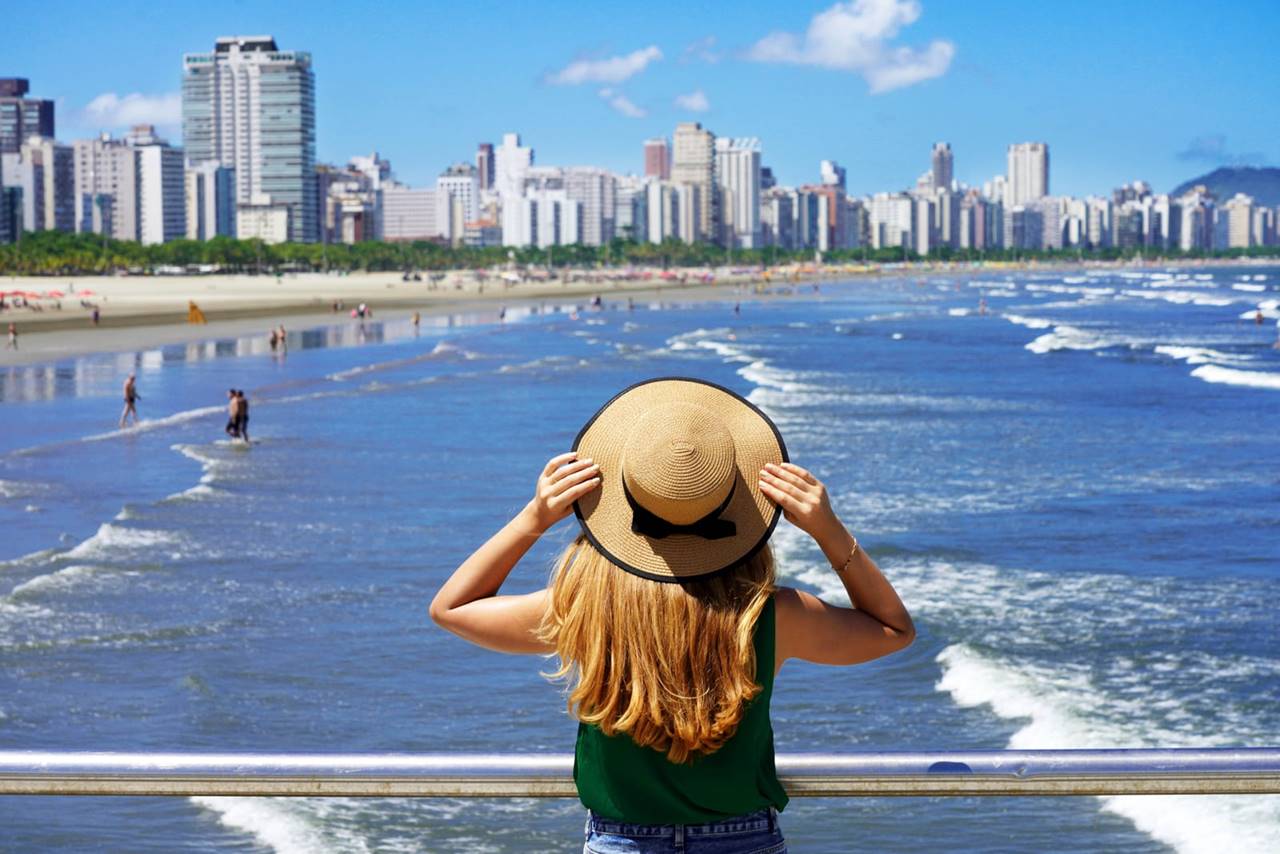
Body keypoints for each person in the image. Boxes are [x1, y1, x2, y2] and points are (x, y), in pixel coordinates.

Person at [431, 378, 915, 852]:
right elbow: (892, 630)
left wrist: (533, 517)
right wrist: (827, 529)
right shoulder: (768, 614)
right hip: (744, 840)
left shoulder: (588, 606)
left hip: (620, 841)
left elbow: (453, 608)